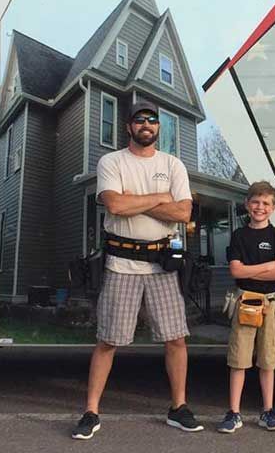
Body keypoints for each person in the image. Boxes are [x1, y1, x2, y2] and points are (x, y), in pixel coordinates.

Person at [72, 101, 202, 439]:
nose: (146, 124)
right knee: (107, 340)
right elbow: (115, 204)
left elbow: (184, 213)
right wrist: (161, 198)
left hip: (162, 266)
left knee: (176, 339)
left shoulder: (173, 164)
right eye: (139, 119)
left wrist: (140, 201)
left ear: (159, 128)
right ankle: (91, 412)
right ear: (128, 126)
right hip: (121, 265)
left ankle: (179, 407)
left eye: (153, 120)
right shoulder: (111, 161)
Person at [218, 181, 275, 434]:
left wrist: (253, 271)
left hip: (270, 303)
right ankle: (233, 413)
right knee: (239, 359)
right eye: (256, 202)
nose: (260, 207)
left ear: (273, 208)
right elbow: (236, 271)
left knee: (268, 359)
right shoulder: (239, 236)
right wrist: (266, 267)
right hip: (245, 301)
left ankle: (268, 411)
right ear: (247, 204)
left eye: (266, 203)